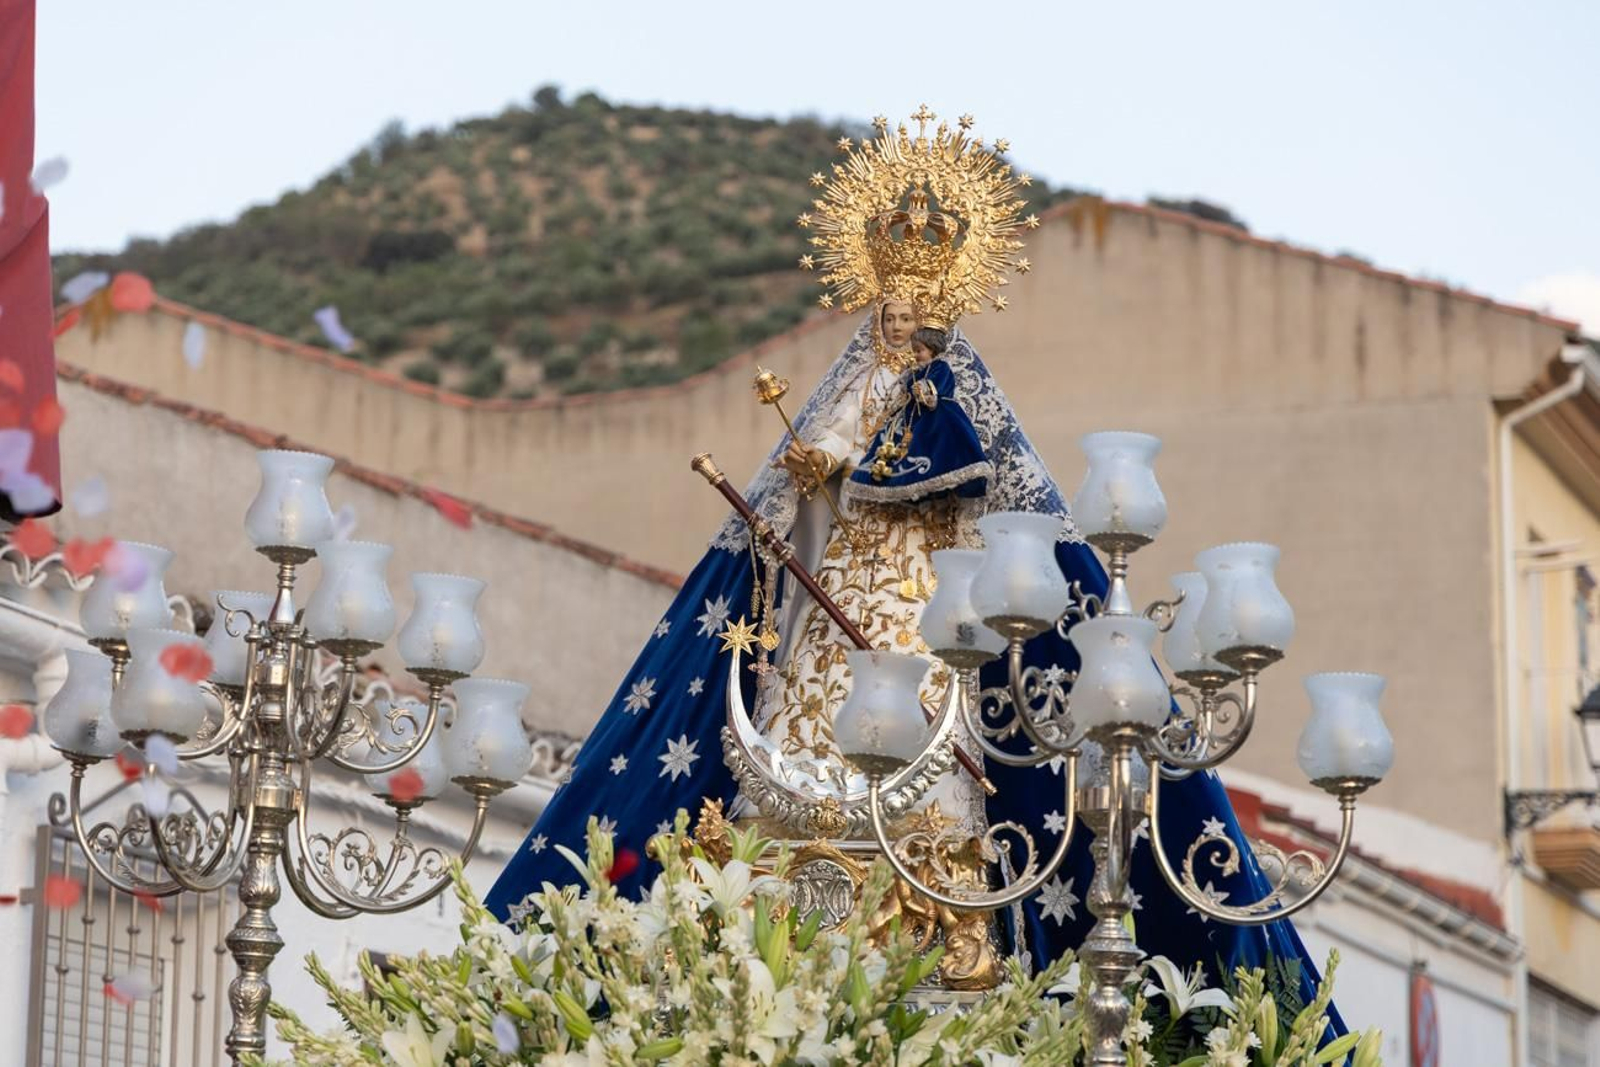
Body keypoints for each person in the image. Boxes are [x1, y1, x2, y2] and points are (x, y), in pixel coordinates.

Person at [486, 113, 1342, 1025]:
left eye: (914, 311)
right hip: (848, 579)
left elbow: (976, 478)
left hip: (929, 593)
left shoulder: (952, 396)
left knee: (936, 714)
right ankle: (791, 857)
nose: (901, 322)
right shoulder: (860, 384)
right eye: (889, 310)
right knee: (810, 720)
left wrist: (909, 455)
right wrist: (821, 468)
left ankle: (940, 884)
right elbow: (816, 463)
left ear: (941, 310)